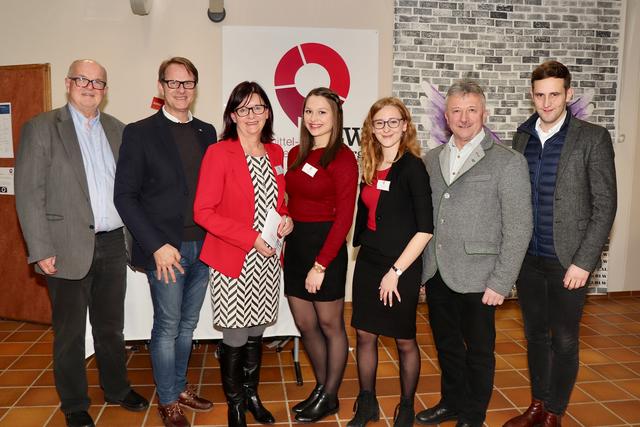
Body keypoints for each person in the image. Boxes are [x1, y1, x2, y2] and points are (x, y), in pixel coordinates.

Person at [14, 59, 149, 427]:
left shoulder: (118, 130)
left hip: (111, 245)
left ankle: (117, 388)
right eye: (82, 79)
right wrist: (40, 249)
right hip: (64, 247)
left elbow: (132, 189)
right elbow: (28, 194)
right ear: (67, 83)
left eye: (98, 82)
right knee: (71, 332)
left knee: (111, 328)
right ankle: (74, 403)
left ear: (105, 90)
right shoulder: (41, 128)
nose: (90, 86)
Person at [503, 61, 617, 427]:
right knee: (535, 335)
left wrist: (585, 261)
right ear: (532, 95)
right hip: (528, 259)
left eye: (555, 94)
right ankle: (537, 403)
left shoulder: (592, 137)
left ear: (568, 94)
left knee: (564, 339)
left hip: (569, 260)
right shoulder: (521, 136)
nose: (547, 102)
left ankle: (554, 412)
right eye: (540, 95)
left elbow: (605, 205)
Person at [416, 80, 532, 427]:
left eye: (471, 110)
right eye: (456, 110)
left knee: (479, 352)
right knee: (447, 346)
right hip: (438, 272)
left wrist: (502, 280)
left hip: (482, 278)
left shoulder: (508, 162)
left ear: (484, 113)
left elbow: (519, 227)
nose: (463, 117)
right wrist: (423, 272)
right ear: (446, 116)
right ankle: (452, 402)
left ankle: (473, 414)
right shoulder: (431, 160)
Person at [114, 57, 216, 427]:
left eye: (188, 83)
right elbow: (125, 196)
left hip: (202, 248)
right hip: (166, 252)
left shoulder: (207, 132)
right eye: (173, 83)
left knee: (188, 326)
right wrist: (156, 245)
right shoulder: (139, 132)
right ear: (161, 87)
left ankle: (179, 387)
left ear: (195, 87)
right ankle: (169, 399)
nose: (181, 89)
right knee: (168, 326)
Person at [193, 81, 293, 427]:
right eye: (244, 109)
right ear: (232, 115)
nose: (252, 115)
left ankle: (252, 395)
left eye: (259, 108)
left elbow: (279, 203)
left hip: (267, 262)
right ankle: (235, 405)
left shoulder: (276, 153)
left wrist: (286, 220)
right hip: (233, 260)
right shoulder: (219, 153)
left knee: (257, 333)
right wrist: (251, 239)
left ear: (268, 113)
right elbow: (203, 211)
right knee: (235, 336)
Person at [348, 97, 433, 427]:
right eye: (379, 122)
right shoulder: (368, 164)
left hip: (401, 267)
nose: (386, 128)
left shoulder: (413, 167)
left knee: (403, 339)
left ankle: (407, 406)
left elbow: (425, 229)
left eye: (392, 121)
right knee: (365, 335)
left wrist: (396, 272)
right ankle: (367, 403)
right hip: (369, 261)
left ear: (405, 126)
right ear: (371, 127)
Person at [283, 87, 358, 422]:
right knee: (305, 323)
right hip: (296, 246)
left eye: (322, 112)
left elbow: (344, 217)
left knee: (330, 324)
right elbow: (292, 199)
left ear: (335, 116)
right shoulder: (296, 154)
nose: (313, 119)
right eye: (309, 112)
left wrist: (321, 264)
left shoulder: (343, 158)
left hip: (325, 249)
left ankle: (329, 395)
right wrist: (286, 216)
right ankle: (321, 387)